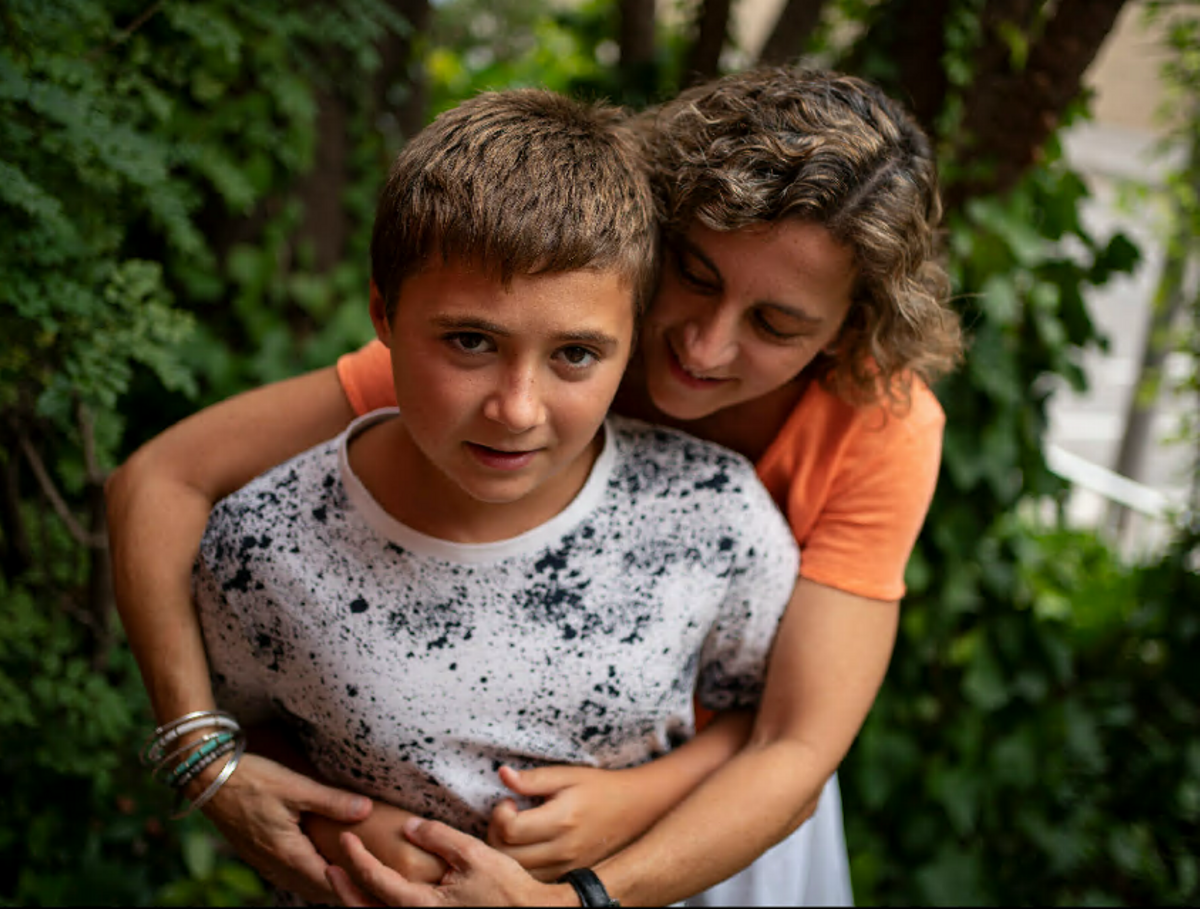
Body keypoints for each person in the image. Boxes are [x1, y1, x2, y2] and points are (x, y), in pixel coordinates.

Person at [106, 67, 962, 906]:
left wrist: (598, 868)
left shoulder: (877, 428)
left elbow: (793, 746)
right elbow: (163, 478)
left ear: (852, 328)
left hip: (713, 825)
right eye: (695, 277)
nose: (703, 347)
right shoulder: (530, 358)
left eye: (776, 324)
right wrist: (202, 753)